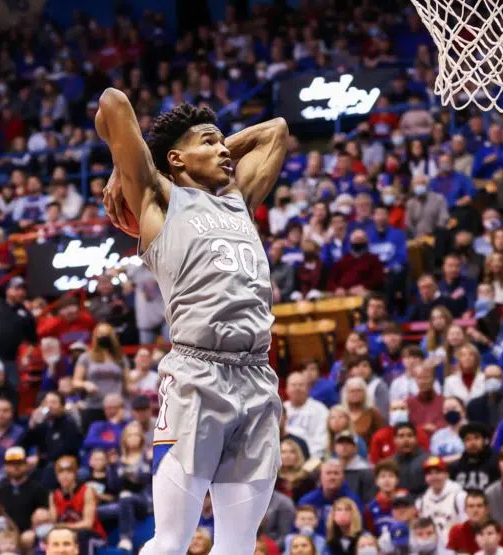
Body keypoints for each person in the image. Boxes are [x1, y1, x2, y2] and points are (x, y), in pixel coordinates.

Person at [98, 92, 288, 554]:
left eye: (225, 143)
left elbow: (276, 130)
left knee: (238, 547)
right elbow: (113, 102)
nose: (225, 150)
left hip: (257, 379)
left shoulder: (239, 200)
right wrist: (128, 171)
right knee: (171, 542)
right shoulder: (158, 202)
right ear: (176, 157)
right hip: (197, 377)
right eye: (211, 141)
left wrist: (213, 147)